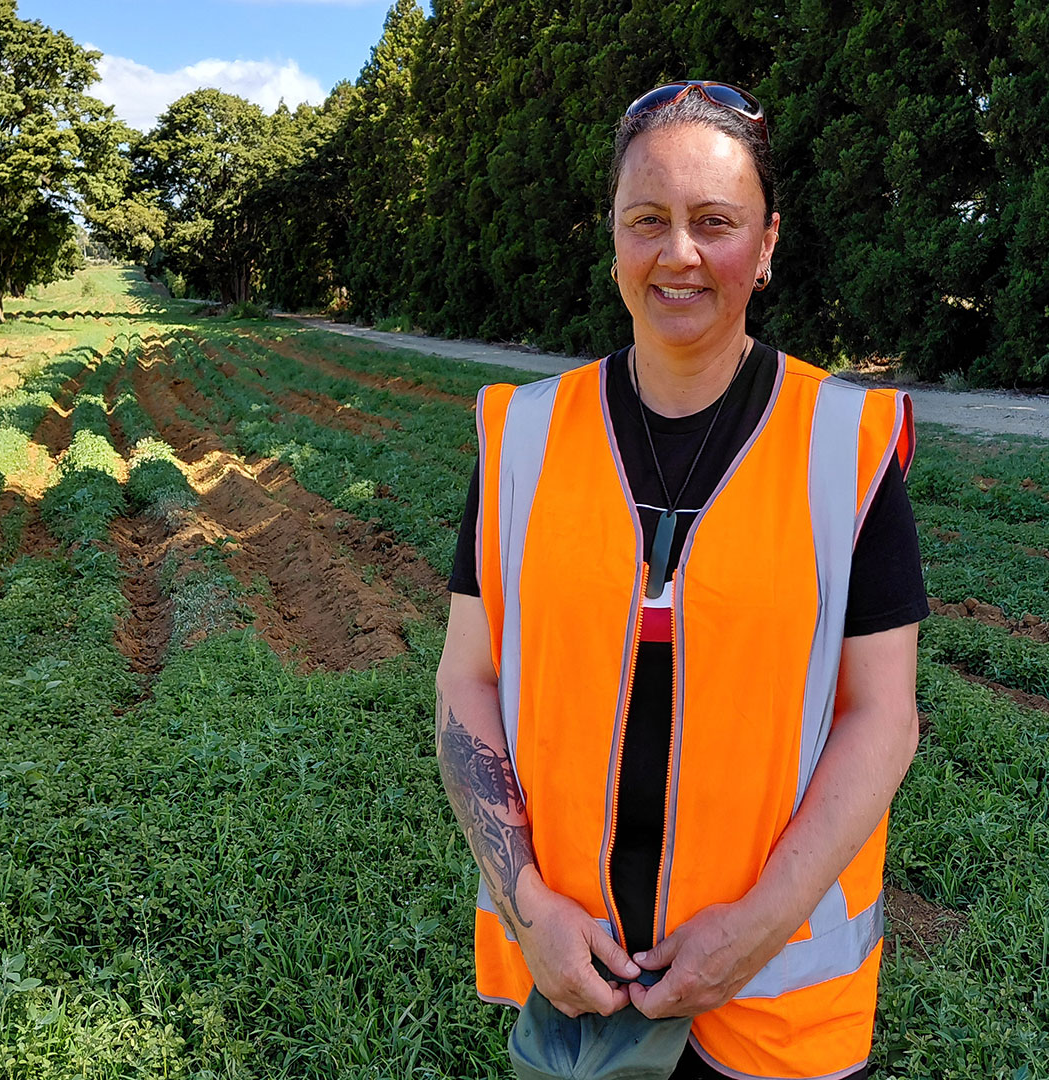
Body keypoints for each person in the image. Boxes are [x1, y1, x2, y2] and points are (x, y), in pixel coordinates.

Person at [435, 80, 927, 1080]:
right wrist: (530, 906)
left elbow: (884, 715)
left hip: (775, 997)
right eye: (647, 221)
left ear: (769, 242)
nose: (681, 254)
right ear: (612, 237)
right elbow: (466, 682)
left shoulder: (847, 446)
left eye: (716, 222)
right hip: (574, 982)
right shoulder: (520, 439)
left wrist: (754, 929)